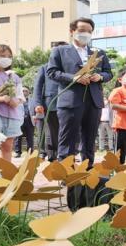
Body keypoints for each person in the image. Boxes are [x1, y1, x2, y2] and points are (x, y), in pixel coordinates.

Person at [46, 17, 113, 165]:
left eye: (89, 31)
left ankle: (87, 169)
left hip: (94, 101)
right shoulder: (59, 51)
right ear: (72, 31)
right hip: (70, 101)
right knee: (68, 137)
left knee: (90, 138)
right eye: (82, 30)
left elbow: (109, 73)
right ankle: (66, 170)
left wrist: (100, 76)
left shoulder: (98, 53)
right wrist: (74, 78)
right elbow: (52, 72)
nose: (86, 34)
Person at [33, 41, 67, 161]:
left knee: (66, 131)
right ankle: (52, 157)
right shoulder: (45, 67)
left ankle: (65, 155)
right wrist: (37, 103)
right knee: (52, 132)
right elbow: (37, 87)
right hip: (51, 104)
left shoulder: (70, 67)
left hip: (69, 103)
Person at [14, 87, 35, 157]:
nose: (24, 92)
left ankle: (30, 152)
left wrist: (36, 116)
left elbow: (35, 109)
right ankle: (18, 152)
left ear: (29, 92)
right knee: (18, 137)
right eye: (23, 91)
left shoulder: (32, 100)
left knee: (30, 137)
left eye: (26, 91)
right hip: (19, 120)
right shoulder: (17, 100)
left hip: (30, 120)